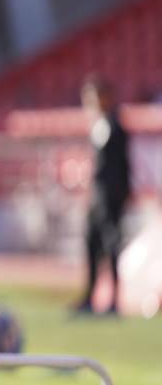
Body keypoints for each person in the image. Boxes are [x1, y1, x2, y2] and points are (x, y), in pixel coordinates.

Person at [75, 74, 130, 315]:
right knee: (92, 243)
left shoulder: (115, 126)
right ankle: (90, 296)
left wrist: (119, 195)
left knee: (111, 246)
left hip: (110, 197)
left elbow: (121, 166)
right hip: (97, 197)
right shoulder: (98, 126)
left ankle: (114, 300)